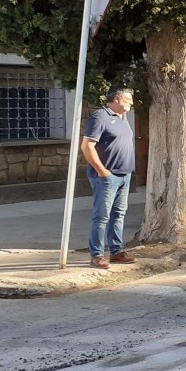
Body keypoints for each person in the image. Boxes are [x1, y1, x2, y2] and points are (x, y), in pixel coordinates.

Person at [81, 88, 137, 269]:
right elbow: (87, 146)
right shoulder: (100, 117)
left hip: (124, 175)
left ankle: (116, 252)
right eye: (128, 99)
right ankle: (96, 255)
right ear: (117, 98)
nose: (131, 102)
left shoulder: (123, 118)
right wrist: (102, 171)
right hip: (106, 177)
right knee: (102, 217)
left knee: (118, 215)